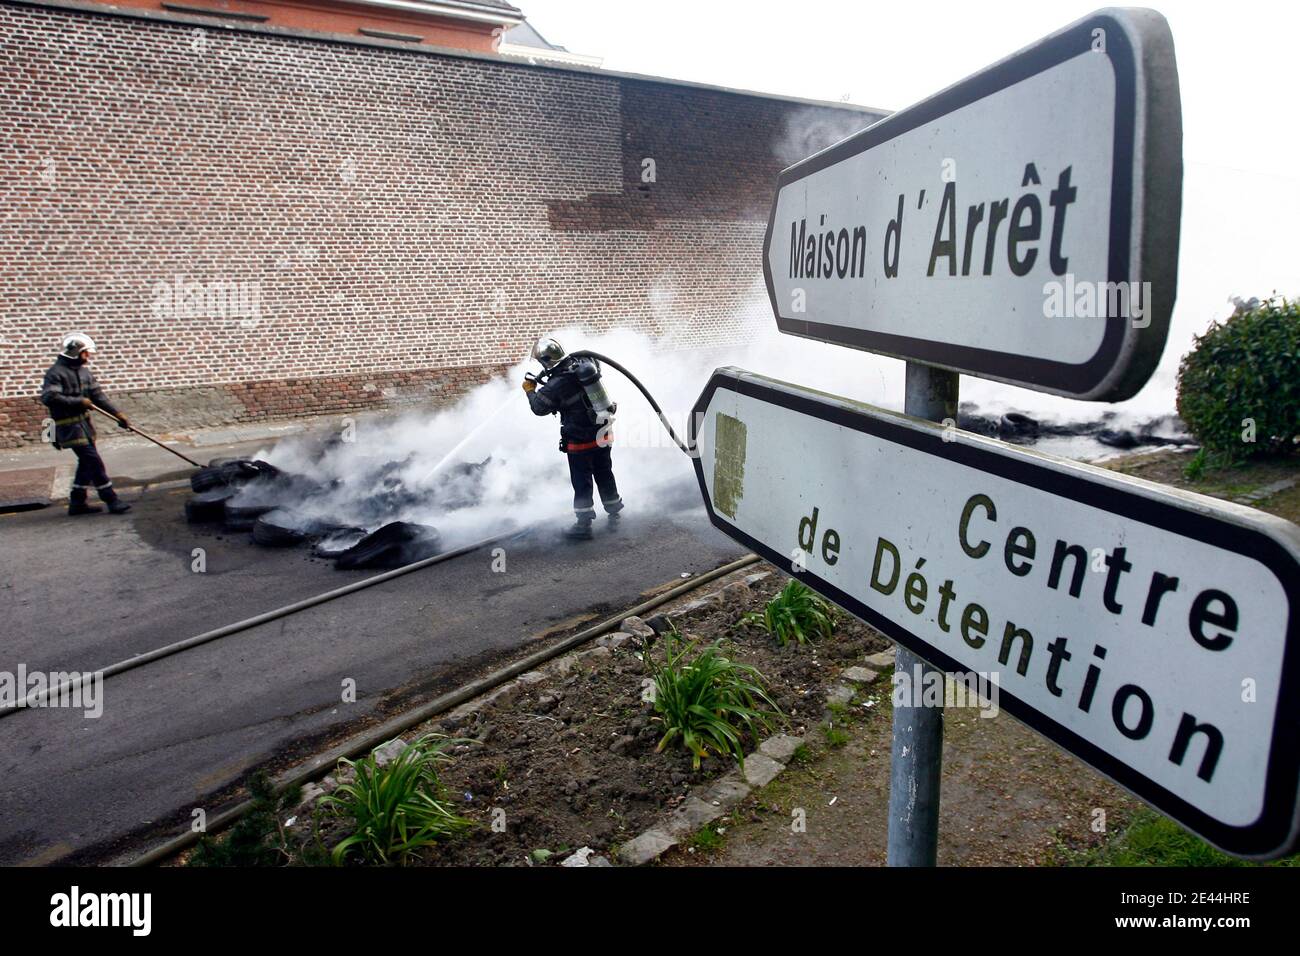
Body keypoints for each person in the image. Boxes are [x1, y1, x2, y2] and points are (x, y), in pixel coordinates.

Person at [523, 336, 623, 539]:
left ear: (547, 361)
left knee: (582, 481)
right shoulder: (584, 364)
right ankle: (614, 516)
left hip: (580, 440)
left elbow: (539, 408)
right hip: (602, 432)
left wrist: (530, 391)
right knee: (605, 473)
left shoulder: (557, 383)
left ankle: (583, 526)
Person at [40, 333, 132, 515]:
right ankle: (111, 499)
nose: (88, 356)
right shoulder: (56, 373)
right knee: (94, 462)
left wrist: (118, 414)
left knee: (86, 463)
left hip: (85, 427)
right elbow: (49, 397)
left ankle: (77, 502)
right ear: (76, 352)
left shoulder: (84, 372)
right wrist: (79, 402)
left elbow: (98, 396)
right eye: (85, 353)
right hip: (67, 428)